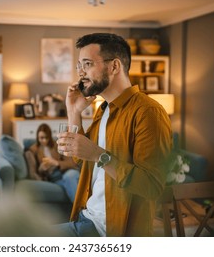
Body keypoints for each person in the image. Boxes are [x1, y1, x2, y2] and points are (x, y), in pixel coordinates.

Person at [55, 33, 173, 237]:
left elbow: (152, 186)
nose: (81, 72)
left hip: (110, 232)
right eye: (79, 66)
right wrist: (74, 112)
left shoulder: (148, 112)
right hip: (87, 217)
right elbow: (82, 160)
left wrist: (98, 155)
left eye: (88, 64)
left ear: (114, 66)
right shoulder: (104, 109)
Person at [24, 123, 80, 202]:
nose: (44, 140)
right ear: (37, 137)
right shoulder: (33, 150)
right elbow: (34, 172)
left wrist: (56, 163)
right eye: (41, 138)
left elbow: (72, 163)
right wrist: (41, 169)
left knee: (70, 177)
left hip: (66, 172)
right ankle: (79, 208)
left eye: (46, 137)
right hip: (54, 178)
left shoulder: (57, 145)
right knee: (70, 185)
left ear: (50, 136)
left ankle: (78, 209)